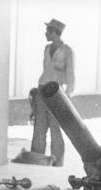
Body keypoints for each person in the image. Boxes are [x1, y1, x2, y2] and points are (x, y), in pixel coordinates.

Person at [30, 18, 74, 167]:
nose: (45, 33)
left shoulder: (67, 51)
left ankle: (57, 161)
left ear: (55, 32)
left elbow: (71, 74)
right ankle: (37, 160)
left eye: (48, 30)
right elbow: (45, 70)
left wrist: (67, 97)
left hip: (57, 93)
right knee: (39, 128)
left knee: (56, 128)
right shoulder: (46, 48)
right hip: (42, 89)